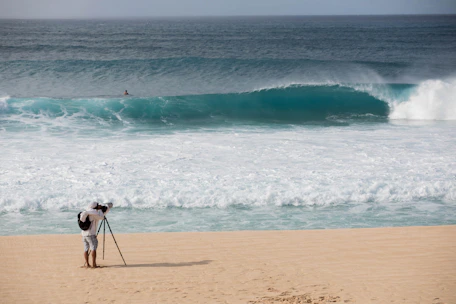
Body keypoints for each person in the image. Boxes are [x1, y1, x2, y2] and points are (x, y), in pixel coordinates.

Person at [79, 202, 112, 268]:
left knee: (86, 249)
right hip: (91, 234)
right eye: (98, 205)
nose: (100, 206)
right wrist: (107, 208)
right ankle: (94, 264)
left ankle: (88, 264)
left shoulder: (85, 213)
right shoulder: (95, 214)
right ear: (95, 207)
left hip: (84, 234)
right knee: (93, 248)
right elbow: (102, 217)